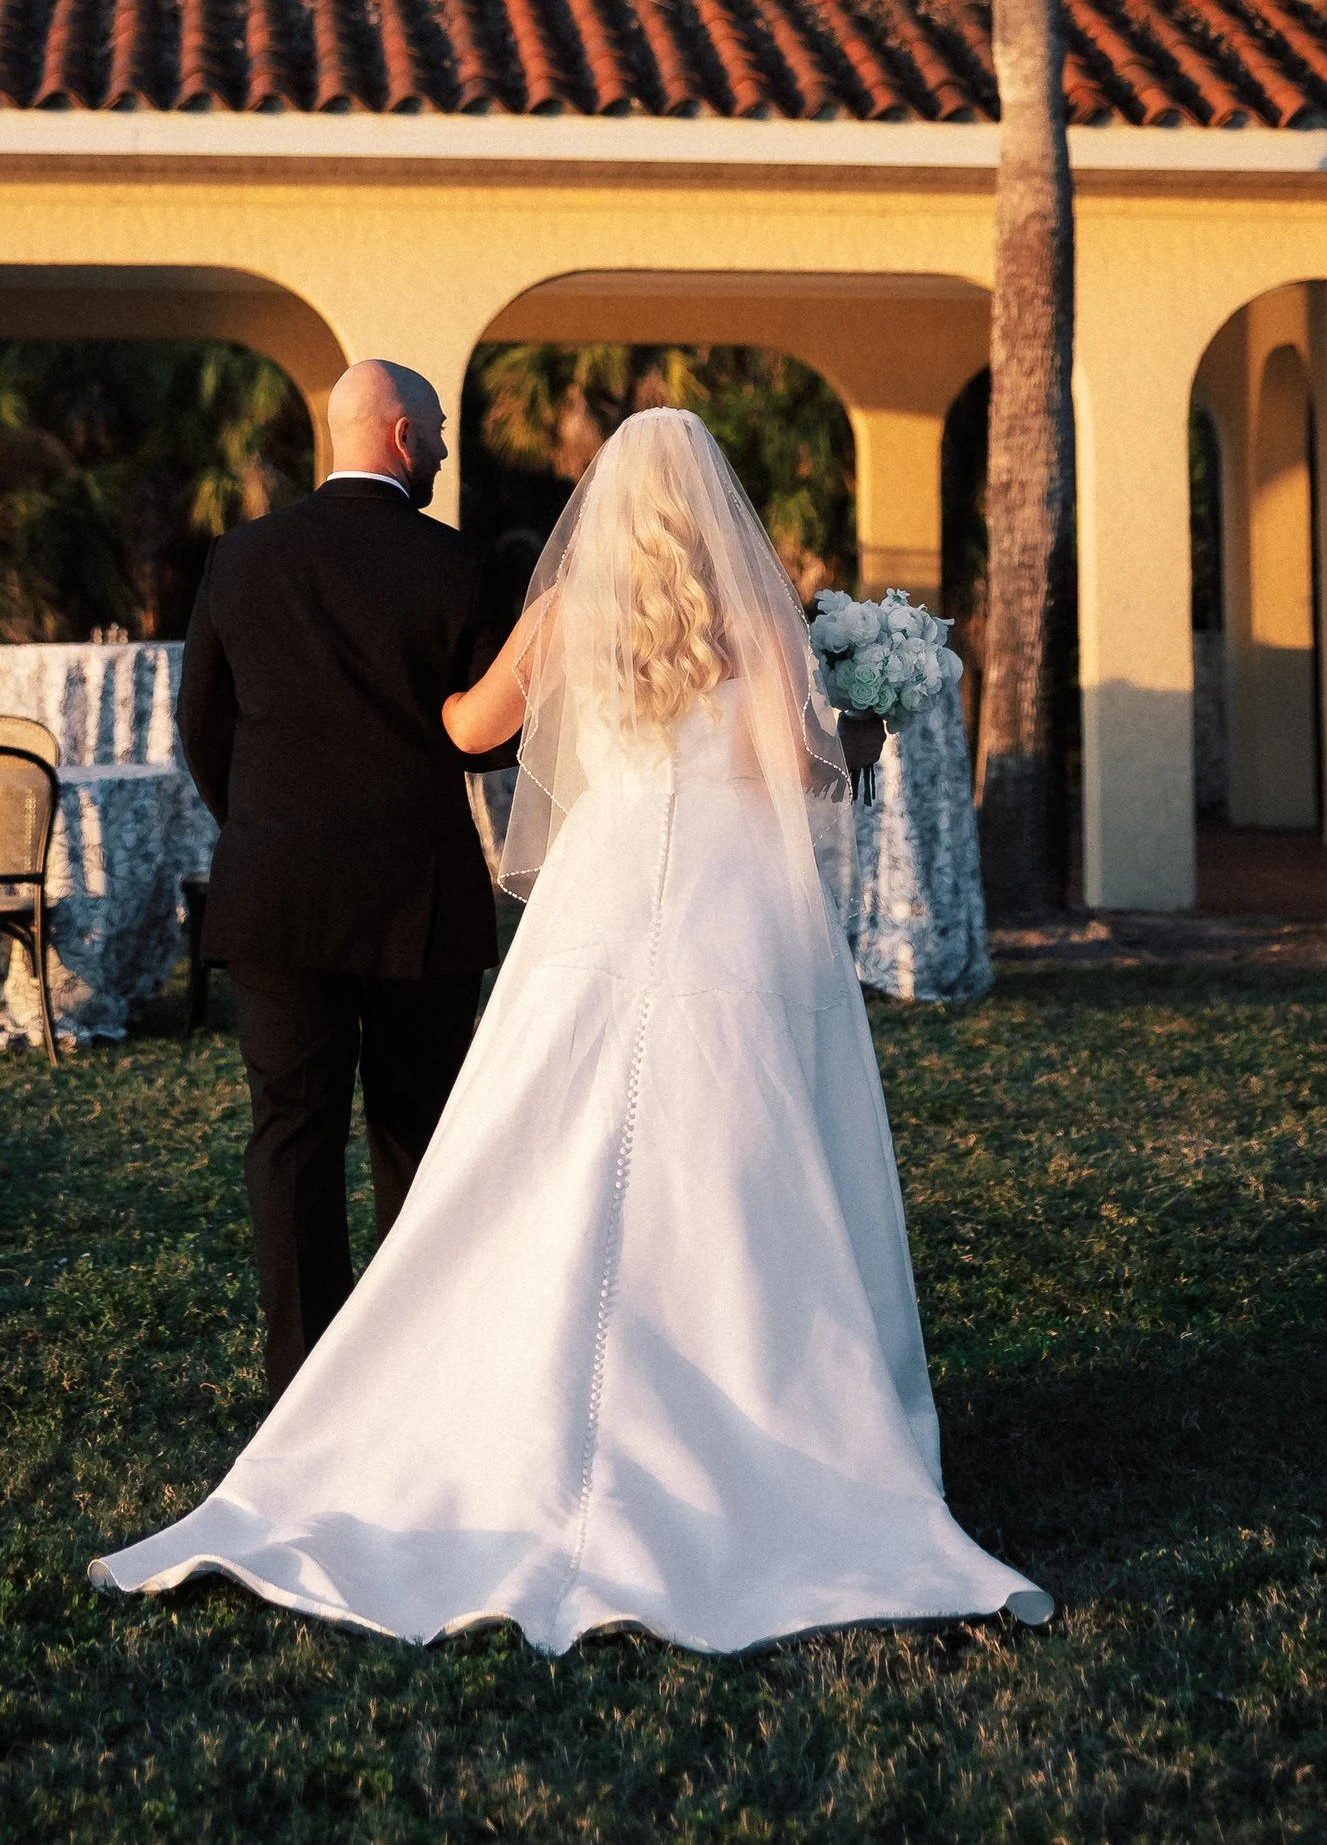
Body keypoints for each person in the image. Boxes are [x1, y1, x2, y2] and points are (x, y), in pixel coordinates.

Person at [98, 405, 1050, 1652]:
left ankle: (492, 1411)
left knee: (542, 1142)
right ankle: (755, 1410)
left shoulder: (558, 614)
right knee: (735, 1155)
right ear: (711, 503)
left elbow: (466, 730)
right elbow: (795, 770)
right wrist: (868, 719)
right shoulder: (755, 615)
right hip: (726, 902)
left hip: (597, 898)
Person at [174, 356, 510, 1399]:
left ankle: (300, 1383)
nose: (448, 450)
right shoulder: (456, 565)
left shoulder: (241, 557)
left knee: (289, 1138)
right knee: (416, 1138)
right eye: (442, 432)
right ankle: (412, 1377)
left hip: (274, 893)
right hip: (418, 897)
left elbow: (201, 725)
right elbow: (489, 743)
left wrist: (266, 830)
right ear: (404, 437)